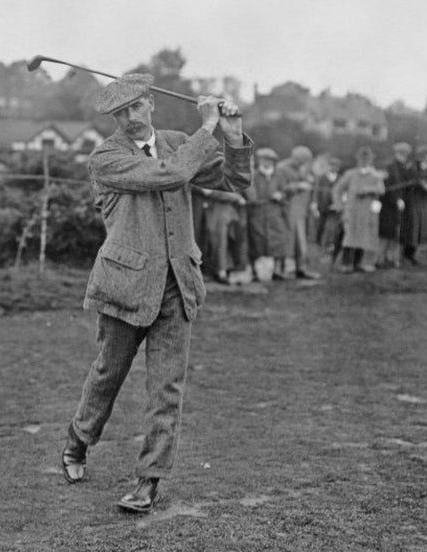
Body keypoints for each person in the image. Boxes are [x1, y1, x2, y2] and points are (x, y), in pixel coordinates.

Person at [61, 73, 252, 513]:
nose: (129, 118)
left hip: (177, 284)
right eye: (119, 112)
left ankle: (149, 480)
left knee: (167, 388)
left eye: (135, 107)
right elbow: (172, 174)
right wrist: (206, 128)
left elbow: (233, 182)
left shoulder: (174, 141)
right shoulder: (106, 158)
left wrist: (234, 136)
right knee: (109, 373)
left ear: (151, 104)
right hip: (126, 284)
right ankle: (78, 439)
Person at [331, 146, 385, 272]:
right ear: (358, 160)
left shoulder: (375, 175)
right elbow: (337, 189)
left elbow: (381, 190)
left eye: (367, 158)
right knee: (349, 237)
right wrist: (339, 206)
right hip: (352, 211)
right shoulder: (351, 174)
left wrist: (368, 190)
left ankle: (358, 263)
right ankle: (346, 264)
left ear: (371, 160)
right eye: (362, 158)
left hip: (367, 212)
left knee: (363, 238)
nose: (364, 161)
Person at [271, 146, 319, 279]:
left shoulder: (302, 169)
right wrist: (298, 186)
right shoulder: (282, 168)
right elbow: (278, 188)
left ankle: (301, 268)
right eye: (301, 161)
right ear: (295, 157)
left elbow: (311, 184)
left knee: (301, 241)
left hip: (301, 211)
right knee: (285, 240)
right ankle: (279, 270)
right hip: (286, 210)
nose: (302, 164)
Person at [195, 184, 248, 284]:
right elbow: (207, 191)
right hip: (214, 213)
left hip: (230, 212)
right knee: (218, 241)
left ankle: (228, 270)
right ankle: (220, 271)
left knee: (233, 241)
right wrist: (235, 197)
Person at [245, 147, 282, 281]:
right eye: (264, 159)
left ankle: (276, 270)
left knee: (277, 240)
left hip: (274, 212)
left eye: (270, 160)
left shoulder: (278, 176)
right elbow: (250, 196)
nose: (266, 162)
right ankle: (254, 271)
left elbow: (283, 191)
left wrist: (280, 195)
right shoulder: (253, 175)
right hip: (257, 213)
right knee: (256, 241)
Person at [378, 142, 415, 268]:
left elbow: (408, 185)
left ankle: (392, 259)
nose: (403, 156)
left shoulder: (406, 168)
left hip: (402, 205)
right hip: (388, 205)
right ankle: (380, 259)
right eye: (401, 153)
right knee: (386, 232)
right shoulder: (390, 167)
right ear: (396, 153)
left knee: (396, 233)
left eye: (405, 154)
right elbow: (387, 186)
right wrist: (396, 200)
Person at [399, 145, 427, 265]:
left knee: (420, 227)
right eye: (424, 155)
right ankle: (406, 254)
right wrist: (424, 185)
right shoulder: (412, 167)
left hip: (423, 201)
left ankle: (412, 254)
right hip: (413, 201)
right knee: (412, 228)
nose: (426, 157)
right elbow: (416, 180)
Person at [314, 156, 344, 263]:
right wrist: (315, 204)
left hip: (334, 209)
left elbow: (342, 192)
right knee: (320, 227)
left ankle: (328, 249)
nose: (334, 168)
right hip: (322, 207)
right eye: (332, 165)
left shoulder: (341, 178)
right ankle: (319, 245)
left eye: (336, 166)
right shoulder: (322, 178)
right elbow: (317, 192)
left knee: (331, 229)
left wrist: (338, 204)